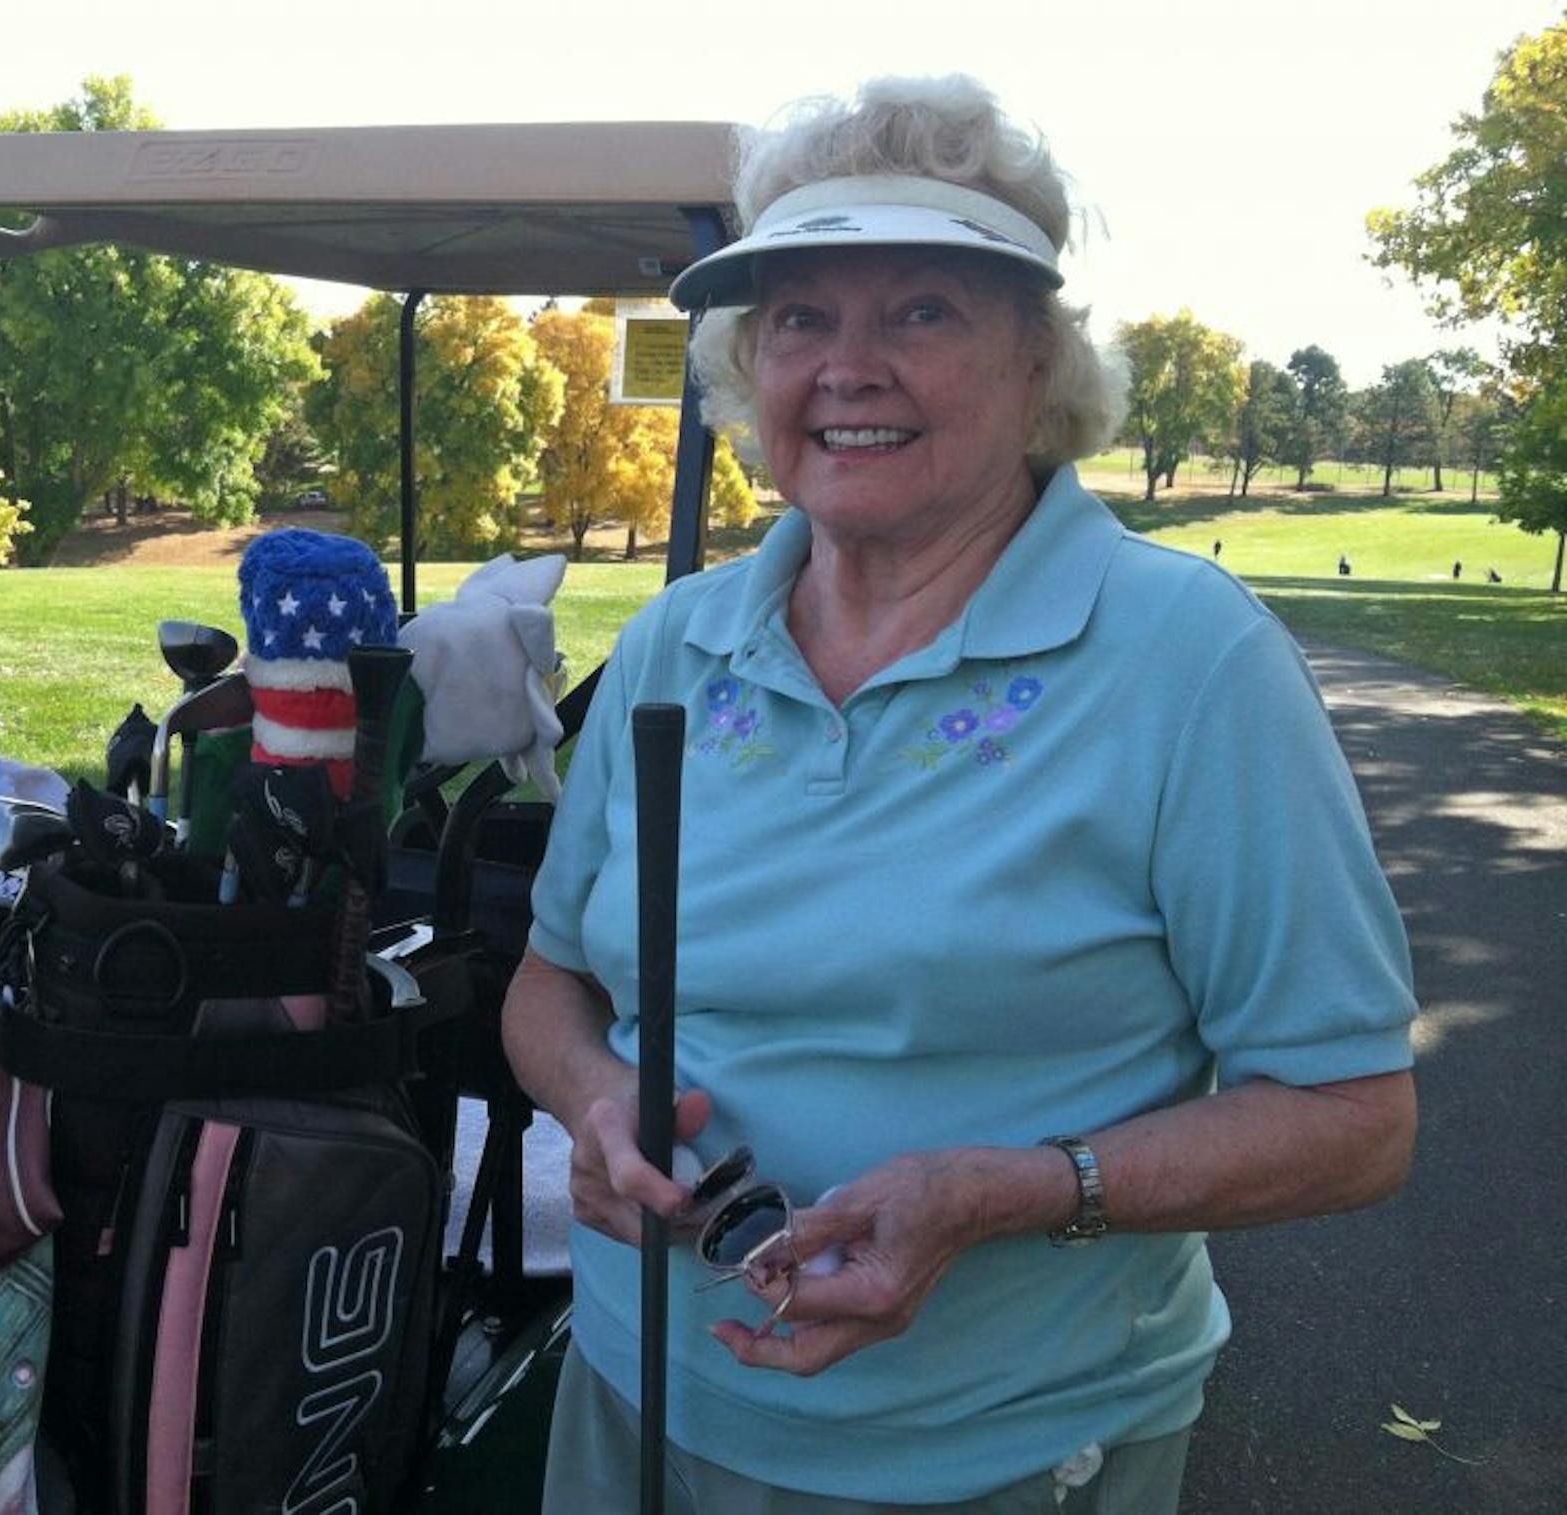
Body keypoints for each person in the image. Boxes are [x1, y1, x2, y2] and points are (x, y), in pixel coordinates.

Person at [503, 76, 1417, 1515]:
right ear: (751, 366)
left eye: (922, 308)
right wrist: (597, 1101)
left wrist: (1013, 1192)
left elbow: (1354, 1112)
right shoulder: (681, 643)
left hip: (994, 1456)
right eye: (801, 317)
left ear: (1037, 364)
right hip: (634, 1397)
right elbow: (548, 985)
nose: (847, 367)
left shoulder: (1187, 660)